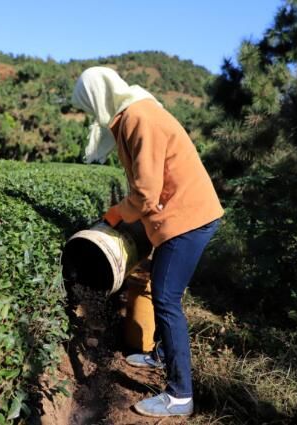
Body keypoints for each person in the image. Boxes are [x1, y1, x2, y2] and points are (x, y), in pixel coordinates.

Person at [71, 67, 224, 418]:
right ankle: (159, 353)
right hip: (184, 215)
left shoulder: (140, 118)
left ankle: (180, 394)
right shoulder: (133, 113)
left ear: (98, 97)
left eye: (87, 105)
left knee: (167, 298)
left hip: (188, 218)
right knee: (163, 284)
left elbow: (144, 195)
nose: (90, 113)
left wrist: (113, 216)